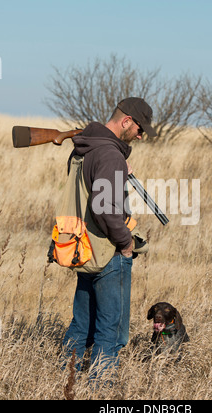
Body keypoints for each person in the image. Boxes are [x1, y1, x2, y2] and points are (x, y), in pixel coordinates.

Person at [62, 97, 157, 380]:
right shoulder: (110, 155)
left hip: (83, 246)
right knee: (112, 331)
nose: (140, 136)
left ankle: (65, 381)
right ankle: (100, 390)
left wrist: (118, 167)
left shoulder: (84, 148)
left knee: (82, 324)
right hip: (107, 252)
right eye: (140, 129)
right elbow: (103, 207)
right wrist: (126, 244)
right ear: (126, 121)